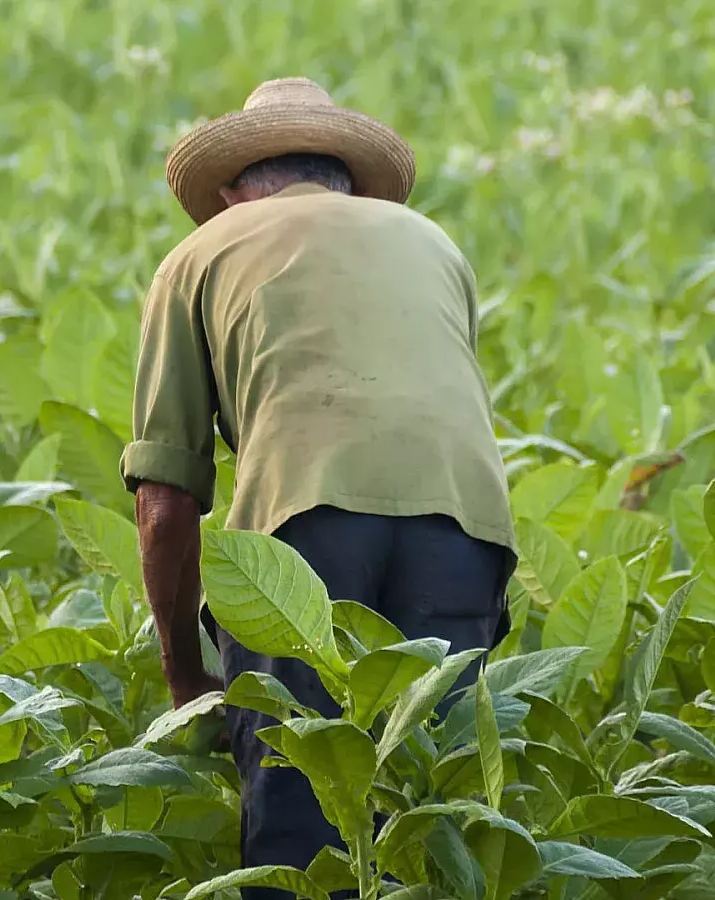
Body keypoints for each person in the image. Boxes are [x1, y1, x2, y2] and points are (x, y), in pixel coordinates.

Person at [120, 77, 518, 898]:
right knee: (428, 812)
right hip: (468, 531)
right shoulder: (433, 243)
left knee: (300, 807)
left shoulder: (201, 254)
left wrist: (187, 679)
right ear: (342, 176)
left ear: (233, 190)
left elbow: (164, 500)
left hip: (306, 528)